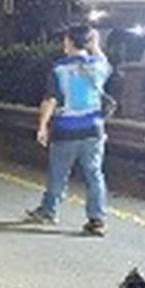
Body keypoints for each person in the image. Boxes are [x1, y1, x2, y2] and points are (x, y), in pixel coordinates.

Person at [25, 24, 112, 236]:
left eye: (65, 39)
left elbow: (51, 100)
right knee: (94, 175)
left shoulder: (59, 69)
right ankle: (97, 220)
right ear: (89, 42)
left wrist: (42, 126)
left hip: (66, 130)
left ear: (69, 42)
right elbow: (106, 63)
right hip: (94, 130)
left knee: (58, 174)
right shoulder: (98, 66)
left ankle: (49, 211)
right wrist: (96, 45)